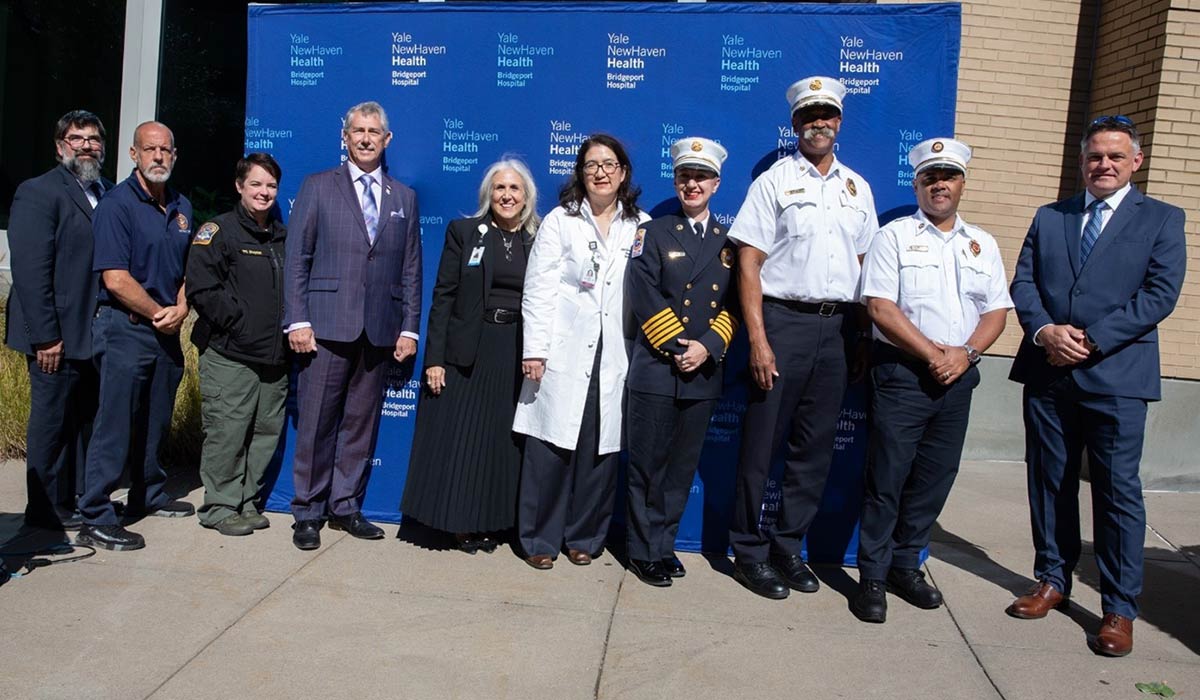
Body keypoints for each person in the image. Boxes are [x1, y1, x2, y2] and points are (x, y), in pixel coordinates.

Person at [1007, 115, 1186, 657]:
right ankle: (1053, 581)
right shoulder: (1051, 216)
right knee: (1050, 482)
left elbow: (1160, 293)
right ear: (1082, 161)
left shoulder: (1162, 218)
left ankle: (1118, 608)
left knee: (1117, 493)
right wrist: (1044, 331)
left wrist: (1091, 339)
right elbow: (1023, 281)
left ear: (1136, 161)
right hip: (1048, 371)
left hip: (1117, 376)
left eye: (1114, 156)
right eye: (1093, 156)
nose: (1102, 165)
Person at [725, 76, 878, 599]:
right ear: (795, 124)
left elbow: (866, 269)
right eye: (808, 114)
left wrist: (860, 339)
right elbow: (749, 262)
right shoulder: (772, 182)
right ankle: (748, 551)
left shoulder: (858, 189)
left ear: (839, 122)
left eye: (827, 114)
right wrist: (759, 340)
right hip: (782, 323)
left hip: (837, 330)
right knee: (761, 445)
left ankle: (788, 547)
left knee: (814, 450)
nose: (819, 122)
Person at [850, 138, 1012, 623]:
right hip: (903, 373)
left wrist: (965, 354)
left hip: (959, 376)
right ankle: (873, 577)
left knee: (935, 478)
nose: (939, 184)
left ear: (962, 183)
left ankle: (906, 564)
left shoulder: (981, 243)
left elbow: (997, 310)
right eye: (929, 177)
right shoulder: (893, 236)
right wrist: (933, 354)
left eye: (949, 176)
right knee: (888, 479)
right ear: (917, 183)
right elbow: (880, 306)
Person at [284, 101, 422, 551]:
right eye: (357, 131)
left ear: (387, 140)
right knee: (317, 422)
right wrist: (297, 319)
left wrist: (409, 328)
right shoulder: (318, 187)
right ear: (344, 137)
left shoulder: (403, 197)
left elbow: (411, 269)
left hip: (379, 329)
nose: (365, 138)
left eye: (374, 131)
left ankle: (345, 506)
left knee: (361, 425)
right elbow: (297, 259)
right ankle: (307, 509)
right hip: (323, 328)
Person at [513, 133, 650, 570]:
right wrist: (535, 349)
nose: (601, 172)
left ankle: (584, 536)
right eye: (592, 165)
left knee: (599, 449)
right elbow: (538, 288)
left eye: (609, 164)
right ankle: (539, 538)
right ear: (581, 173)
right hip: (562, 351)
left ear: (623, 172)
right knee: (550, 447)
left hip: (614, 353)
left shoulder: (640, 225)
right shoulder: (560, 221)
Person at [400, 159, 540, 553]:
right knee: (464, 442)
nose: (507, 196)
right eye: (499, 189)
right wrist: (434, 359)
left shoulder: (541, 238)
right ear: (488, 194)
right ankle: (460, 522)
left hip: (516, 351)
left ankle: (495, 520)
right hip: (468, 351)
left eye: (515, 189)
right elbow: (443, 296)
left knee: (501, 443)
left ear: (527, 196)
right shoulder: (464, 232)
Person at [624, 137, 739, 587]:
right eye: (684, 176)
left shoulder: (729, 243)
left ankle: (663, 545)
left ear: (716, 183)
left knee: (680, 468)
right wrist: (679, 346)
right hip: (657, 367)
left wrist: (707, 346)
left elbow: (733, 304)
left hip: (703, 371)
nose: (692, 184)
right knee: (647, 466)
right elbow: (643, 292)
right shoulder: (651, 232)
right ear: (676, 180)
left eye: (701, 177)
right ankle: (641, 550)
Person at [76, 121, 195, 551]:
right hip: (125, 328)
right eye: (150, 150)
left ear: (174, 154)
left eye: (165, 150)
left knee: (155, 417)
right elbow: (115, 278)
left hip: (165, 330)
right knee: (115, 423)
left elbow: (186, 270)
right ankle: (95, 513)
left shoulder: (182, 206)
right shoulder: (116, 206)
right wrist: (159, 312)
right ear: (134, 155)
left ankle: (148, 492)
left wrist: (181, 307)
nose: (158, 157)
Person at [5, 110, 111, 531]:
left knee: (83, 419)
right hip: (55, 335)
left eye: (93, 139)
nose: (86, 145)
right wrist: (45, 337)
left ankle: (77, 499)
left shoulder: (106, 192)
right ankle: (44, 510)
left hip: (91, 331)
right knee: (51, 421)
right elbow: (30, 273)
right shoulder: (38, 192)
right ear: (59, 146)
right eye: (76, 138)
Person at [185, 153, 288, 537]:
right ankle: (220, 506)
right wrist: (239, 323)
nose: (264, 192)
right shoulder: (218, 231)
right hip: (231, 354)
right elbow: (201, 288)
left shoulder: (282, 234)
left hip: (274, 357)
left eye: (271, 186)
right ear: (239, 186)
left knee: (265, 432)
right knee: (228, 431)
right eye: (256, 184)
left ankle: (245, 501)